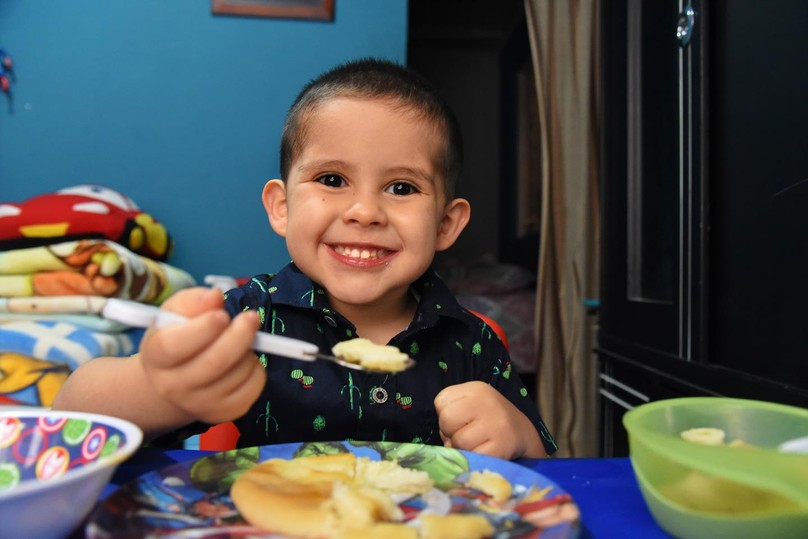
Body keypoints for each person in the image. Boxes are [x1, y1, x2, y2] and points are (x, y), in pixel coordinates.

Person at [53, 58, 557, 460]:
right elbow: (72, 418)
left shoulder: (474, 344)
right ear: (282, 206)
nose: (364, 212)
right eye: (332, 180)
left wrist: (518, 436)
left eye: (401, 187)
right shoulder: (245, 320)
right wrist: (160, 388)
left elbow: (554, 476)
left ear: (446, 223)